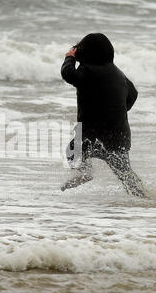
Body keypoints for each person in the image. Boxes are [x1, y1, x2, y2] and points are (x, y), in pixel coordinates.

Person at [60, 33, 145, 197]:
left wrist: (69, 57)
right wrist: (117, 110)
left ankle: (84, 173)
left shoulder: (87, 71)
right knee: (125, 174)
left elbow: (67, 73)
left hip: (92, 135)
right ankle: (142, 196)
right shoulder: (118, 74)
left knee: (72, 151)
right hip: (119, 136)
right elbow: (133, 94)